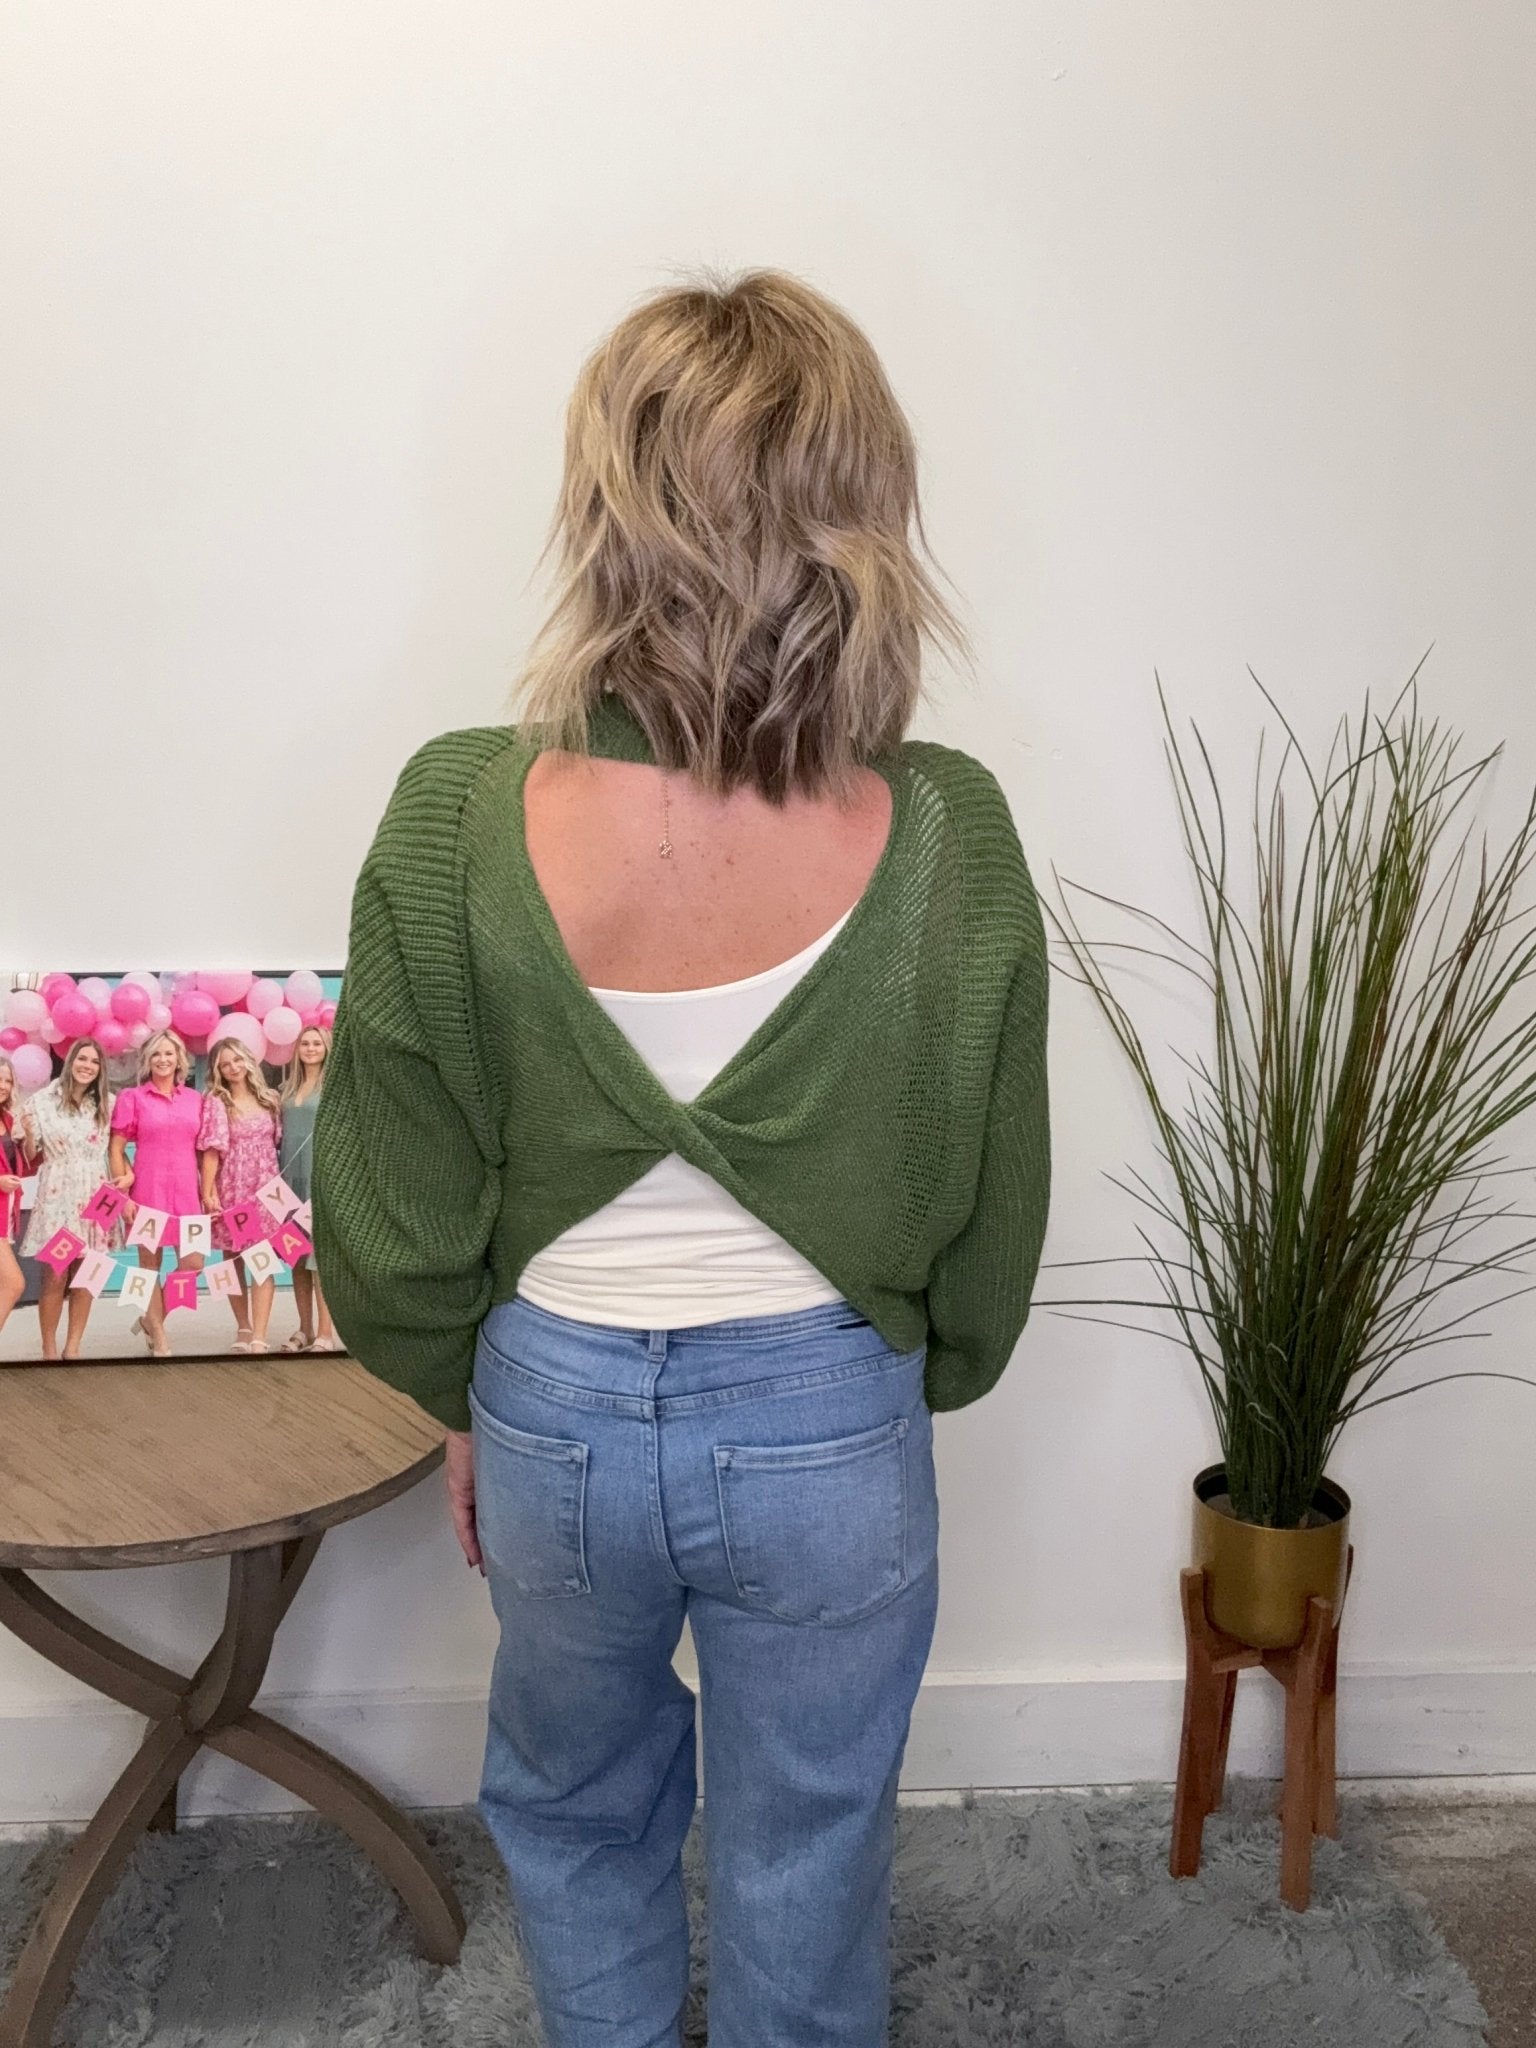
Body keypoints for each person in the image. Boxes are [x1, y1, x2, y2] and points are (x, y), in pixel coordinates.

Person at [313, 268, 1051, 2048]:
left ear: (609, 511)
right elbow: (991, 1201)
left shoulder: (459, 810)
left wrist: (468, 1398)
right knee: (812, 1835)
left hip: (554, 1418)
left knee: (576, 1806)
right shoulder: (944, 827)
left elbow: (391, 1208)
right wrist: (920, 1375)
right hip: (829, 1424)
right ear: (861, 519)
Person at [17, 1035, 122, 1358]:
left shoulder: (108, 1103)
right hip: (57, 1194)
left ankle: (73, 1346)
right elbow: (30, 1156)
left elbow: (116, 1149)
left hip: (96, 1194)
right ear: (70, 1060)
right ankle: (49, 1348)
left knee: (87, 1275)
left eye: (94, 1061)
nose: (87, 1066)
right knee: (55, 1275)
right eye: (82, 1058)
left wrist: (128, 1175)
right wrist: (29, 1134)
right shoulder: (43, 1101)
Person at [108, 1029, 207, 1357]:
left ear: (179, 1059)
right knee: (149, 1265)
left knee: (193, 1263)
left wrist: (209, 1191)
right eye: (156, 1054)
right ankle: (160, 1337)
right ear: (147, 1061)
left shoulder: (195, 1100)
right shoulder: (132, 1098)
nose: (163, 1059)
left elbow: (204, 1151)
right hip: (147, 1191)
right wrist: (123, 1194)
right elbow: (116, 1147)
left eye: (168, 1053)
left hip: (188, 1193)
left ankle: (152, 1320)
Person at [198, 1035, 284, 1353]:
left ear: (248, 1060)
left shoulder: (270, 1099)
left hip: (265, 1189)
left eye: (237, 1060)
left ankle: (260, 1334)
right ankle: (244, 1327)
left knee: (262, 1260)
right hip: (232, 1186)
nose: (233, 1067)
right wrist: (208, 1193)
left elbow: (280, 1143)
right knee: (232, 1259)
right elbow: (211, 1151)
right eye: (225, 1064)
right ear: (218, 1071)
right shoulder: (217, 1101)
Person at [276, 1023, 340, 1351]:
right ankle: (304, 1329)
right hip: (290, 1182)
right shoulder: (287, 1088)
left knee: (319, 1259)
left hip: (320, 1177)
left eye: (317, 1043)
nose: (311, 1049)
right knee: (297, 1257)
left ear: (327, 1048)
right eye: (305, 1044)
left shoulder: (334, 1087)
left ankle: (326, 1332)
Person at [0, 1054, 36, 1342]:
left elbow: (27, 1165)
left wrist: (30, 1133)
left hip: (6, 1215)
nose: (3, 1085)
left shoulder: (10, 1120)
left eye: (8, 1080)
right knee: (14, 1283)